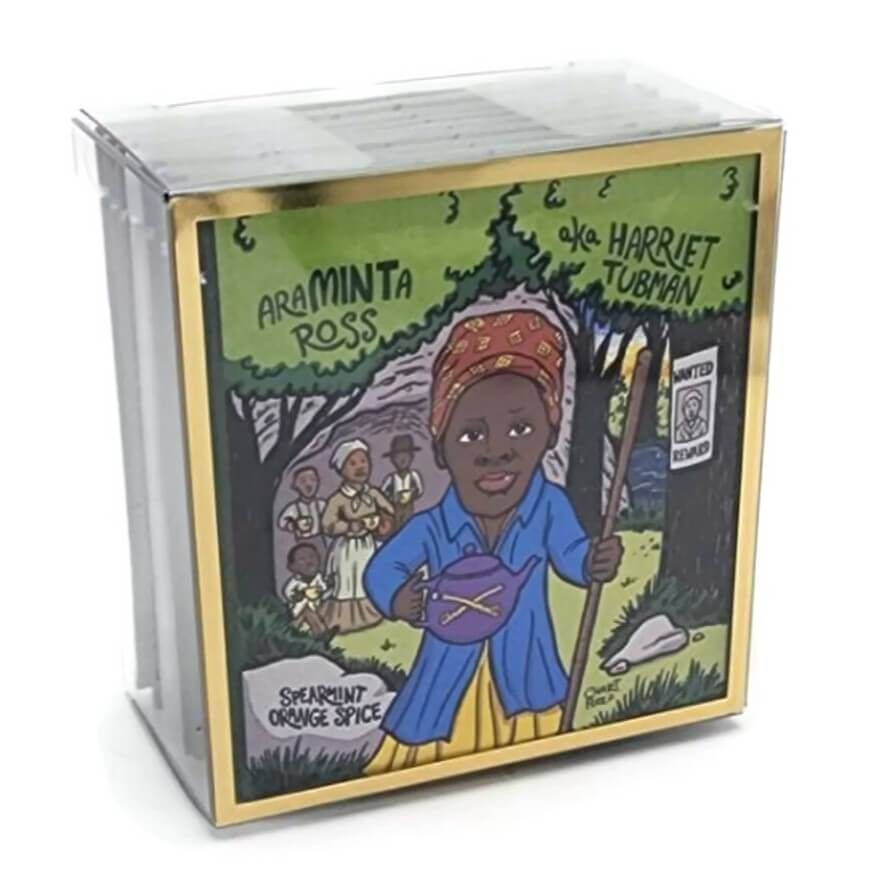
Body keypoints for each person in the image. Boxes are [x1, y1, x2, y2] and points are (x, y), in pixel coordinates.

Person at [363, 309, 623, 773]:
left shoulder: (548, 507)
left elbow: (570, 553)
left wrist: (592, 562)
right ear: (441, 449)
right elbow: (383, 568)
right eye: (471, 434)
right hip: (443, 684)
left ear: (550, 434)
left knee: (538, 748)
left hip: (526, 677)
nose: (497, 451)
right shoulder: (432, 526)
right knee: (428, 750)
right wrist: (399, 598)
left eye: (521, 429)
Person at [321, 439, 395, 633]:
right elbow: (328, 525)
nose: (360, 467)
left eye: (363, 461)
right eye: (352, 463)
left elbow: (389, 510)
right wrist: (348, 526)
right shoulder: (338, 499)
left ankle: (371, 612)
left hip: (368, 544)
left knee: (367, 575)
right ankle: (345, 619)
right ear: (342, 469)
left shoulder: (373, 494)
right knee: (348, 580)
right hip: (347, 548)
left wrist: (383, 522)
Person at [279, 542, 331, 638]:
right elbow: (289, 594)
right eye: (302, 560)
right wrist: (300, 595)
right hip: (300, 616)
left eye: (312, 557)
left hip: (319, 611)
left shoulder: (319, 578)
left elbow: (324, 590)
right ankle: (321, 634)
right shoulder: (294, 582)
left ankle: (321, 632)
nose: (309, 562)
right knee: (307, 612)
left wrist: (323, 590)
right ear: (292, 566)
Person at [277, 466, 327, 558]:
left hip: (319, 539)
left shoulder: (321, 504)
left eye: (312, 480)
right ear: (295, 485)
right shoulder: (293, 508)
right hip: (302, 542)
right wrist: (294, 525)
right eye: (302, 481)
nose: (308, 484)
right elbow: (282, 522)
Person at [381, 433, 424, 532]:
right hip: (396, 508)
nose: (402, 459)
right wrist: (392, 498)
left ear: (412, 457)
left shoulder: (414, 475)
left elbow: (420, 490)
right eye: (398, 456)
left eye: (406, 455)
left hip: (409, 507)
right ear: (392, 460)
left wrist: (412, 493)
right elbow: (382, 494)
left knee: (410, 525)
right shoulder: (391, 478)